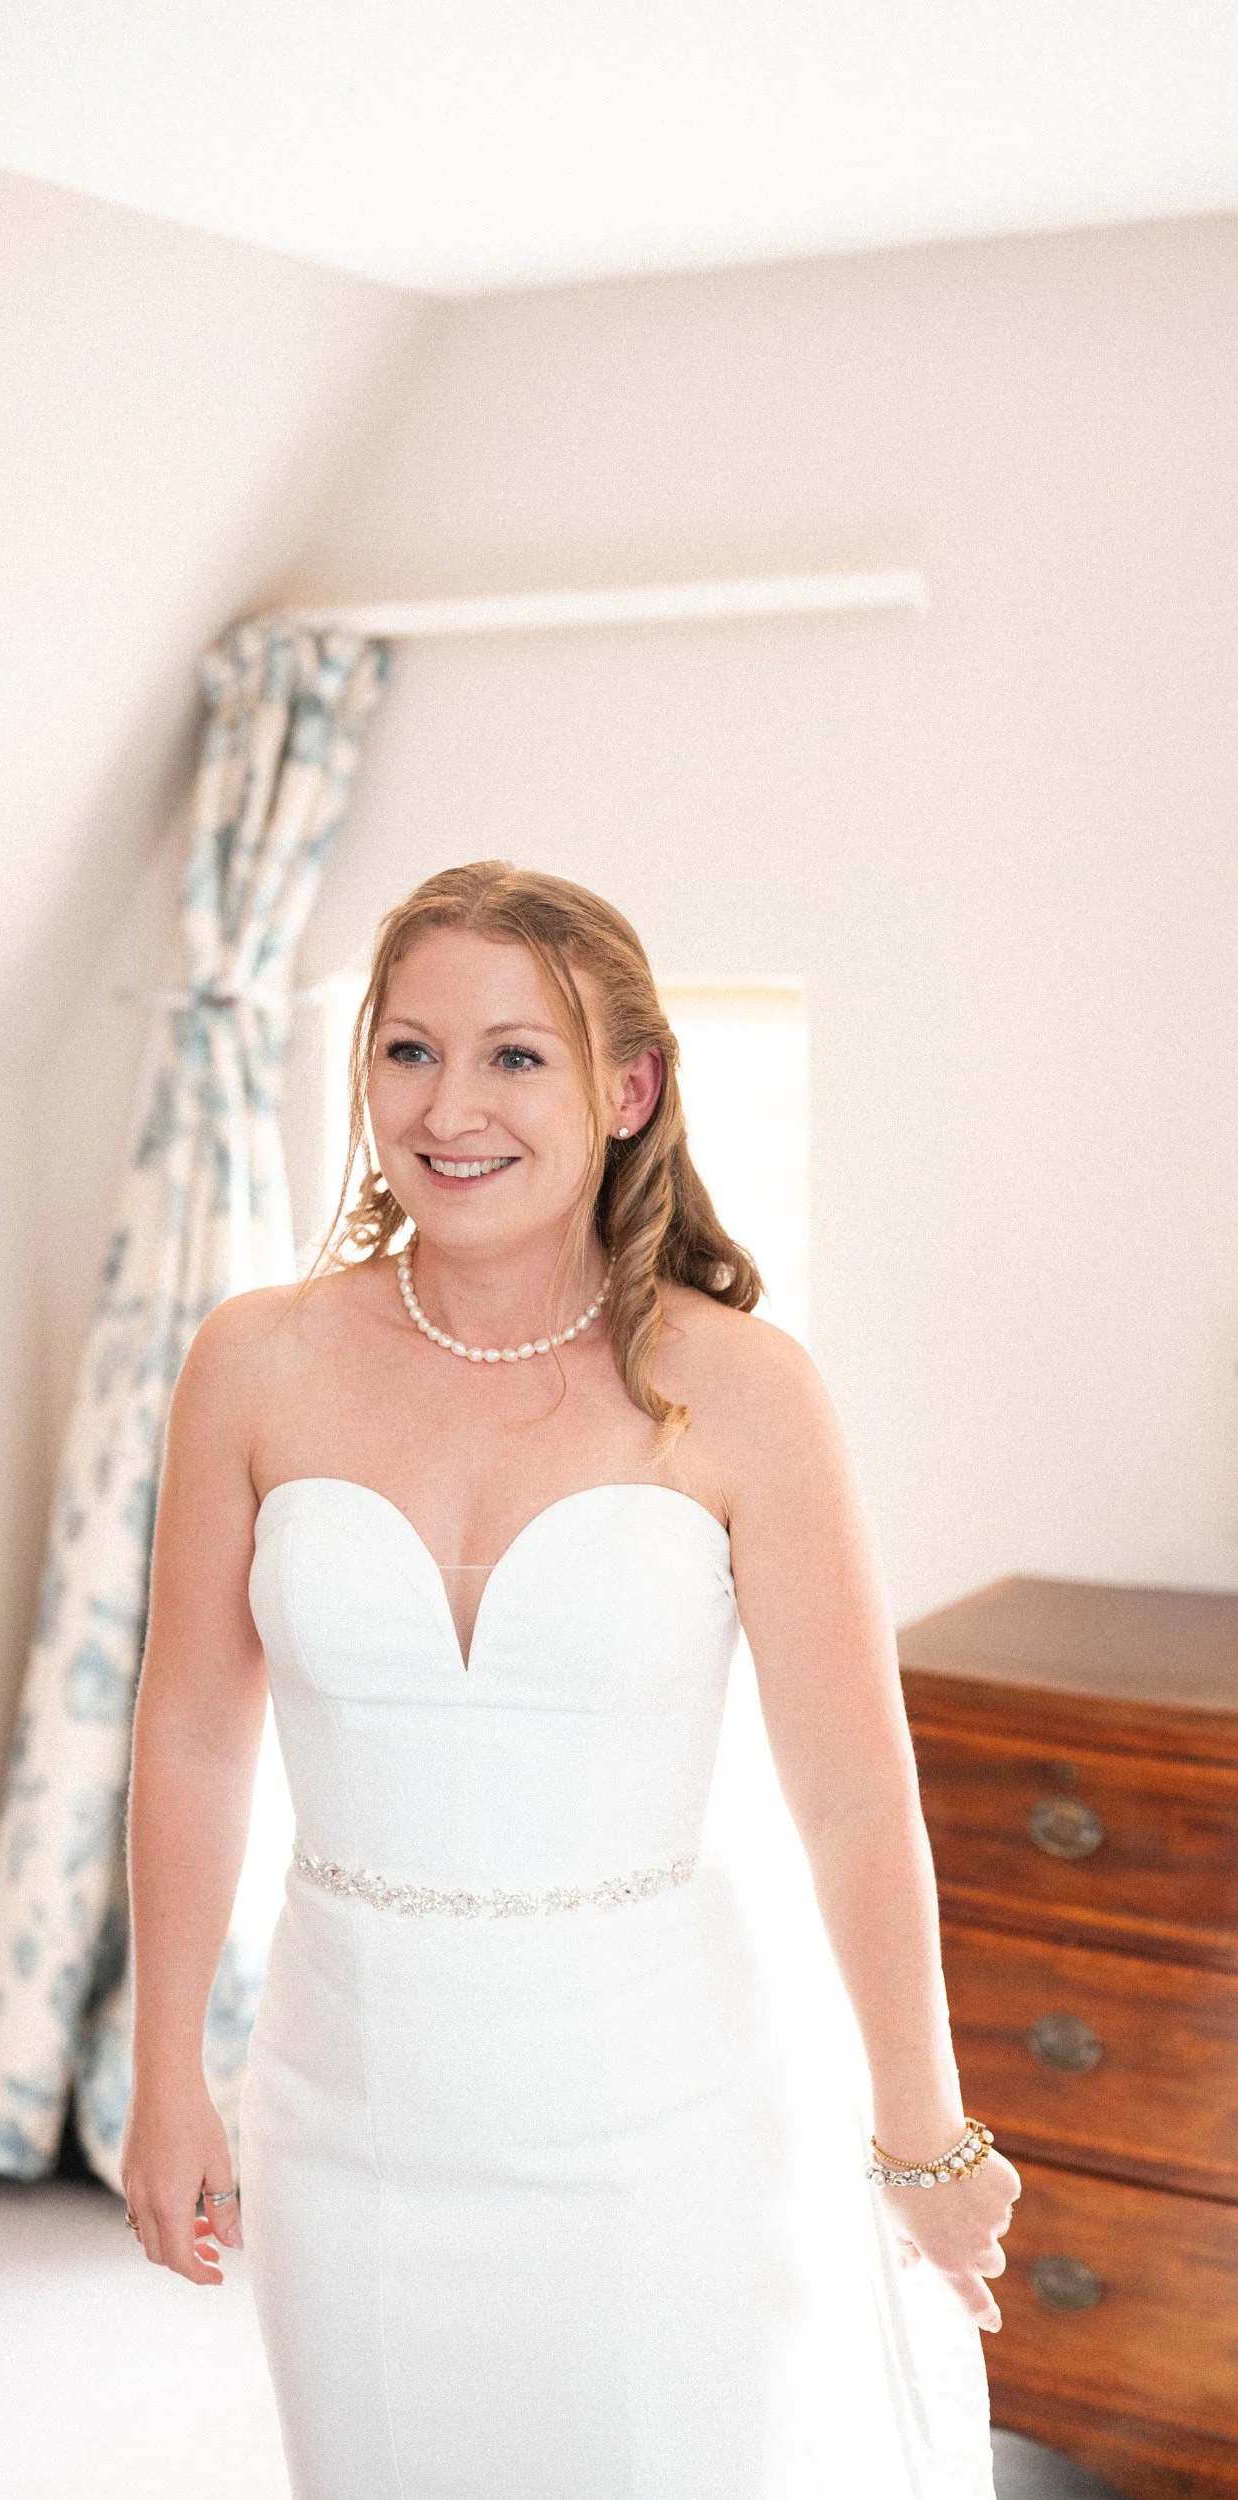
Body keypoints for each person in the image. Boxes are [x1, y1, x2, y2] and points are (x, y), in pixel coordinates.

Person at [121, 861, 1017, 2498]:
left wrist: (925, 2130)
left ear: (627, 1089)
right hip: (349, 2115)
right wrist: (164, 2065)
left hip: (659, 2123)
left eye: (514, 1056)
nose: (448, 1106)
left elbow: (847, 1791)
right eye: (406, 1051)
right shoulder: (252, 1361)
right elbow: (189, 1732)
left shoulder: (738, 1390)